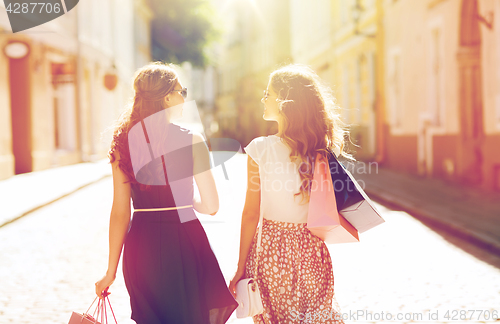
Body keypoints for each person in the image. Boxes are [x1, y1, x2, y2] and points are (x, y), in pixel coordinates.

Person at [95, 62, 238, 324]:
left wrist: (110, 271)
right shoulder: (192, 139)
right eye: (181, 91)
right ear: (166, 97)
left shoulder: (122, 143)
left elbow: (119, 212)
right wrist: (189, 201)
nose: (184, 98)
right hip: (184, 240)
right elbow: (211, 205)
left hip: (141, 245)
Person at [229, 64, 354, 324]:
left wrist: (240, 267)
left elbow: (251, 213)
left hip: (272, 254)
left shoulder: (260, 149)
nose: (263, 99)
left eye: (268, 94)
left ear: (285, 102)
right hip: (312, 250)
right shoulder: (321, 148)